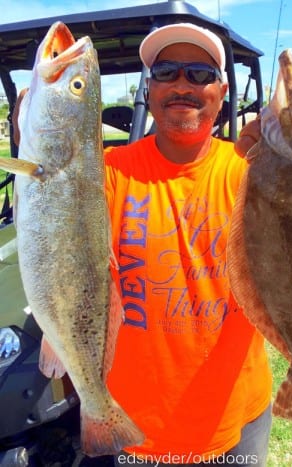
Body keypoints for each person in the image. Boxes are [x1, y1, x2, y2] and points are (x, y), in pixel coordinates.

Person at [13, 23, 271, 467]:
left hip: (235, 426)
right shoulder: (106, 174)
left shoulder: (254, 173)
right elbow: (59, 234)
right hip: (132, 430)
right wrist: (28, 128)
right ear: (148, 87)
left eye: (200, 73)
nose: (183, 85)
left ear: (222, 90)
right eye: (167, 70)